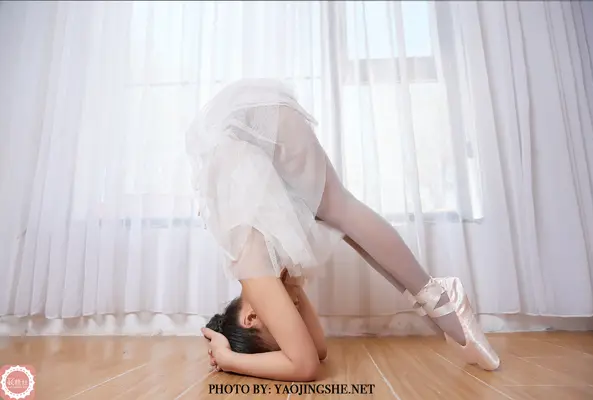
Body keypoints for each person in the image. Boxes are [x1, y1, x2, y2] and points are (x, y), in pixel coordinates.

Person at [186, 79, 500, 382]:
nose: (293, 319)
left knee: (339, 209)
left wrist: (229, 359)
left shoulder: (253, 272)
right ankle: (438, 308)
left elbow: (304, 364)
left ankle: (442, 300)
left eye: (280, 330)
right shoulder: (273, 267)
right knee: (340, 218)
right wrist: (292, 293)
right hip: (252, 120)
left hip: (246, 123)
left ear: (251, 318)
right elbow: (318, 350)